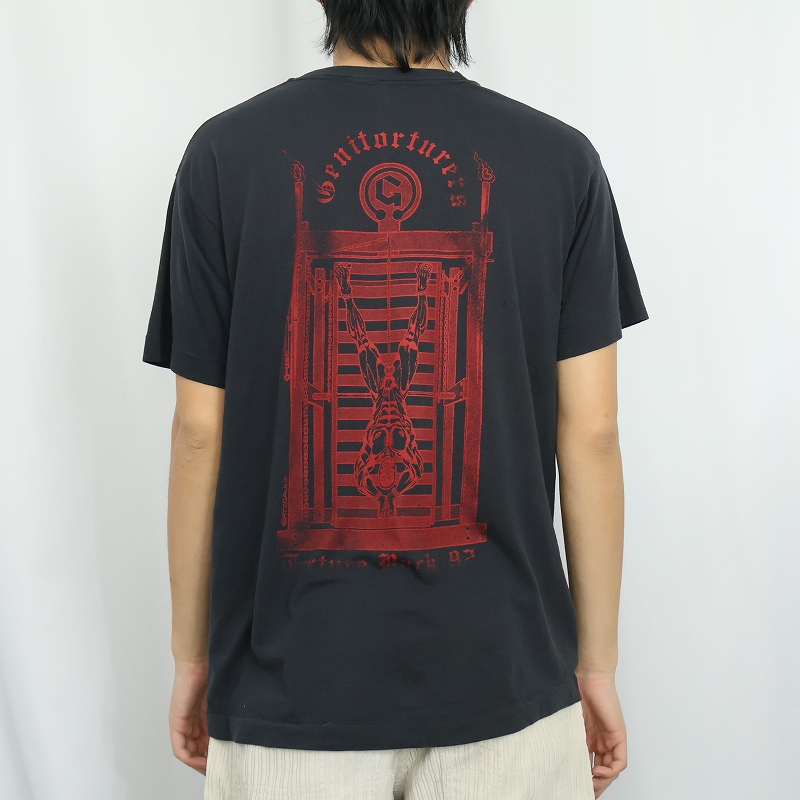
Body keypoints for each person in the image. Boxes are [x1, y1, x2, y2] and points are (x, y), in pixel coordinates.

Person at [142, 1, 650, 797]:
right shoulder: (558, 160)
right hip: (507, 676)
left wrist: (192, 656)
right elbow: (592, 434)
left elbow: (199, 431)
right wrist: (596, 665)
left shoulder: (225, 153)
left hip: (289, 685)